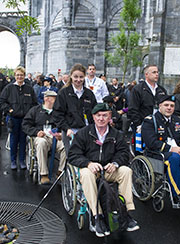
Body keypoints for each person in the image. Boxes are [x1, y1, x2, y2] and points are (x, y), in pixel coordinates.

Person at [68, 103, 139, 237]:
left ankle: (126, 212)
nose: (101, 118)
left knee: (126, 171)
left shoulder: (116, 134)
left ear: (110, 117)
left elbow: (124, 153)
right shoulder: (84, 133)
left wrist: (116, 163)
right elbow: (73, 155)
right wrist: (88, 163)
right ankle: (97, 216)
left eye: (104, 115)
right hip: (91, 171)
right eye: (98, 115)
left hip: (108, 170)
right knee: (86, 174)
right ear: (93, 117)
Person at [22, 90, 66, 184]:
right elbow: (25, 125)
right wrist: (36, 132)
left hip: (56, 137)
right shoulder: (35, 110)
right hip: (41, 137)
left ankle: (60, 171)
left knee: (66, 145)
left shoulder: (59, 112)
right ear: (47, 99)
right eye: (55, 99)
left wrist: (62, 134)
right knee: (42, 143)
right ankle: (44, 174)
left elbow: (65, 125)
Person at [53, 63, 97, 153]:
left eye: (81, 77)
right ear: (71, 77)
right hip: (70, 130)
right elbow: (58, 114)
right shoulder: (63, 93)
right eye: (75, 77)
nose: (78, 80)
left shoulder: (89, 94)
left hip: (87, 131)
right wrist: (67, 129)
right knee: (74, 157)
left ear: (85, 77)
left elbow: (94, 112)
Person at [0, 66, 37, 170]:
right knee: (13, 140)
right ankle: (13, 161)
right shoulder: (9, 88)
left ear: (24, 76)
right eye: (17, 75)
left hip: (26, 119)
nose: (19, 77)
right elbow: (2, 101)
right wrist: (10, 110)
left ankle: (22, 160)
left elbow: (34, 103)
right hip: (13, 118)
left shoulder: (29, 88)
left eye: (21, 75)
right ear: (15, 76)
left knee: (23, 140)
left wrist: (31, 114)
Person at [128, 65, 167, 130]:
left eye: (157, 72)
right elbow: (133, 108)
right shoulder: (138, 89)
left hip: (159, 126)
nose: (157, 74)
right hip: (143, 125)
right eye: (154, 72)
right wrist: (138, 124)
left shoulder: (161, 90)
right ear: (146, 74)